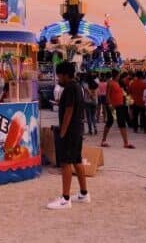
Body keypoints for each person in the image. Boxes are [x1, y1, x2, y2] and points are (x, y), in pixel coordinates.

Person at [47, 62, 89, 210]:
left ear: (65, 75)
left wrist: (63, 131)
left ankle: (65, 198)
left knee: (65, 162)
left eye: (59, 75)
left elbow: (69, 111)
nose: (58, 78)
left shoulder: (70, 88)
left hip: (70, 131)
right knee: (77, 160)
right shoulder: (77, 86)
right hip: (77, 129)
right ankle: (84, 193)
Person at [100, 70, 134, 149]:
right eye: (119, 75)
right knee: (110, 121)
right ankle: (103, 140)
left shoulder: (117, 83)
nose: (119, 76)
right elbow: (107, 95)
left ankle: (126, 142)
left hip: (120, 106)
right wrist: (109, 105)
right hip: (113, 106)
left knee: (121, 123)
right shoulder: (110, 83)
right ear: (117, 75)